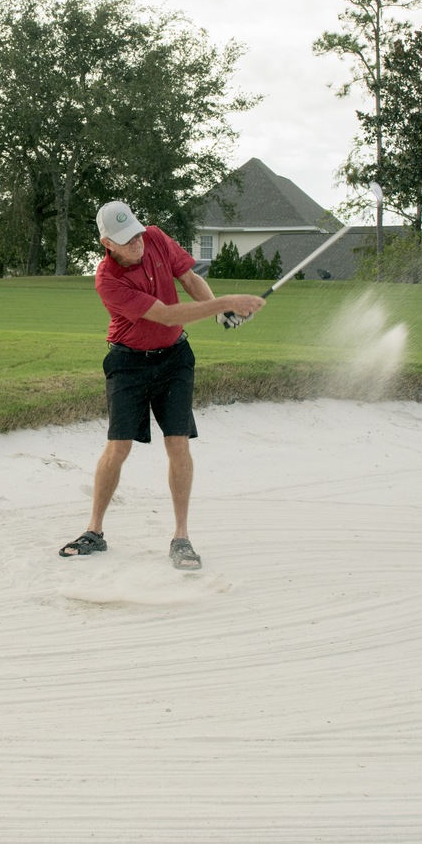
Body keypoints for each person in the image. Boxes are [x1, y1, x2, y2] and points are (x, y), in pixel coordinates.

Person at [58, 200, 267, 570]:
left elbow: (188, 278)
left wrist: (219, 309)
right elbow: (166, 313)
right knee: (118, 446)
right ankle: (94, 531)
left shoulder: (154, 237)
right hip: (127, 363)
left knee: (177, 442)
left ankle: (181, 537)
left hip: (174, 359)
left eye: (137, 232)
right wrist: (229, 302)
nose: (137, 242)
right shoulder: (108, 279)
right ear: (108, 243)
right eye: (126, 240)